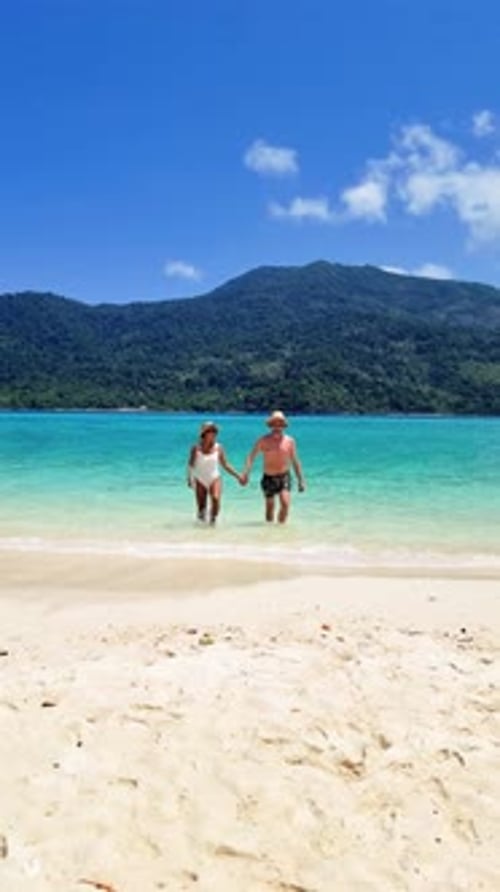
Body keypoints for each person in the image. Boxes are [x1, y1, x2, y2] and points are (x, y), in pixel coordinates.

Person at [241, 410, 305, 523]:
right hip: (268, 477)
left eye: (280, 423)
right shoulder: (263, 440)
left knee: (285, 504)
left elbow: (295, 461)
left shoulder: (290, 441)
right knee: (270, 508)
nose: (277, 426)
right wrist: (246, 473)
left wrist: (301, 480)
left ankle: (280, 529)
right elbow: (251, 457)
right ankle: (269, 531)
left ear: (283, 425)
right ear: (271, 425)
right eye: (275, 423)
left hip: (284, 477)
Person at [187, 421, 243, 524]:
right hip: (200, 479)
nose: (213, 433)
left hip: (214, 478)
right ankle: (200, 529)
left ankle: (213, 522)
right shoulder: (196, 448)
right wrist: (189, 479)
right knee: (201, 508)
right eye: (211, 431)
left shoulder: (219, 447)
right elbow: (191, 465)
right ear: (204, 433)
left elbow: (225, 464)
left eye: (215, 431)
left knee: (216, 499)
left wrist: (238, 476)